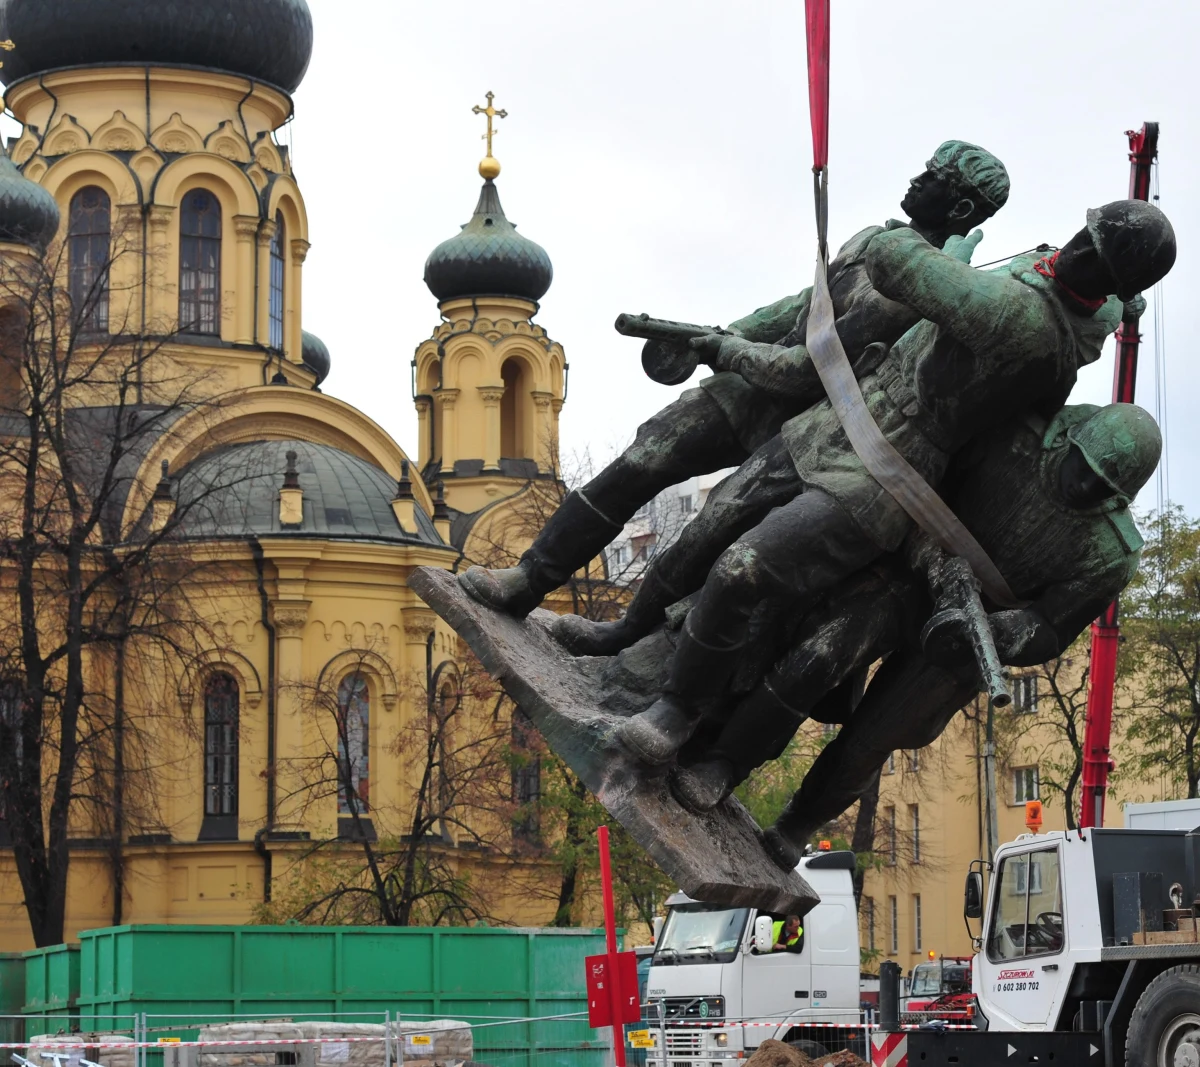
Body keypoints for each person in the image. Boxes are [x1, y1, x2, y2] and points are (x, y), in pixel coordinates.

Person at [610, 200, 1175, 769]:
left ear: (1110, 286)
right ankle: (623, 639)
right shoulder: (1078, 303)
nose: (1075, 251)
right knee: (710, 526)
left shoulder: (1023, 318)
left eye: (1096, 259)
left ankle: (676, 712)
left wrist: (949, 254)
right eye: (1084, 236)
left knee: (743, 569)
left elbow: (891, 259)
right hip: (837, 418)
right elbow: (1089, 302)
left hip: (889, 467)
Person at [459, 142, 1011, 621]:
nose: (916, 180)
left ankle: (634, 644)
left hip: (810, 425)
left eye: (933, 177)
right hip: (751, 384)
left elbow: (809, 367)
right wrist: (720, 334)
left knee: (715, 534)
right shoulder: (872, 237)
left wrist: (724, 349)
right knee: (646, 457)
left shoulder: (918, 288)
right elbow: (803, 305)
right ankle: (528, 581)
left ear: (960, 206)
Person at [672, 401, 1161, 867]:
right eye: (1083, 466)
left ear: (1118, 498)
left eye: (1101, 487)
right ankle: (725, 762)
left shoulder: (1112, 553)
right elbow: (921, 483)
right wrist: (934, 559)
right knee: (819, 657)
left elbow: (1053, 628)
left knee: (875, 737)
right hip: (909, 575)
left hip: (969, 640)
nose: (1083, 486)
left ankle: (800, 821)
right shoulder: (1015, 436)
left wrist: (998, 630)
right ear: (1069, 440)